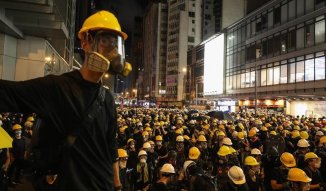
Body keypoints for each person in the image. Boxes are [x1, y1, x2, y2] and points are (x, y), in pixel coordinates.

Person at [0, 10, 132, 191]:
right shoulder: (56, 88)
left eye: (116, 44)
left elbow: (110, 145)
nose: (113, 51)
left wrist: (117, 184)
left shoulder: (107, 97)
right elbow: (8, 93)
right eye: (104, 41)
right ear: (85, 41)